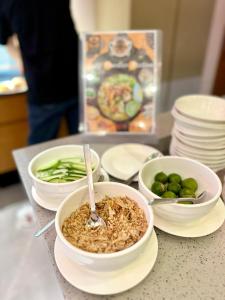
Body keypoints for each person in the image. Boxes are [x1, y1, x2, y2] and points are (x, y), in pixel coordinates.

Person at [0, 0, 80, 144]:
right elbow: (5, 39)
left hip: (76, 81)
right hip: (42, 87)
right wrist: (20, 60)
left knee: (86, 148)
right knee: (38, 151)